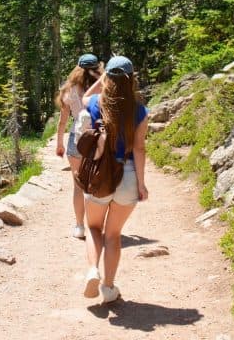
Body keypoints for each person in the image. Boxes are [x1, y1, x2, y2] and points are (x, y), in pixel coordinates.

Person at [79, 55, 148, 304]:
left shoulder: (96, 103)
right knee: (113, 235)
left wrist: (102, 78)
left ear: (108, 77)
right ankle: (108, 287)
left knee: (93, 227)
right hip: (127, 175)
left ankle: (91, 270)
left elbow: (84, 97)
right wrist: (141, 184)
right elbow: (139, 149)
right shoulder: (140, 110)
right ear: (131, 80)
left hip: (100, 175)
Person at [55, 53, 102, 239]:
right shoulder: (103, 87)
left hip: (76, 138)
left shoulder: (69, 90)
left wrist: (59, 144)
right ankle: (96, 226)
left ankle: (79, 226)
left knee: (78, 186)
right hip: (99, 138)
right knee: (98, 182)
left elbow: (62, 121)